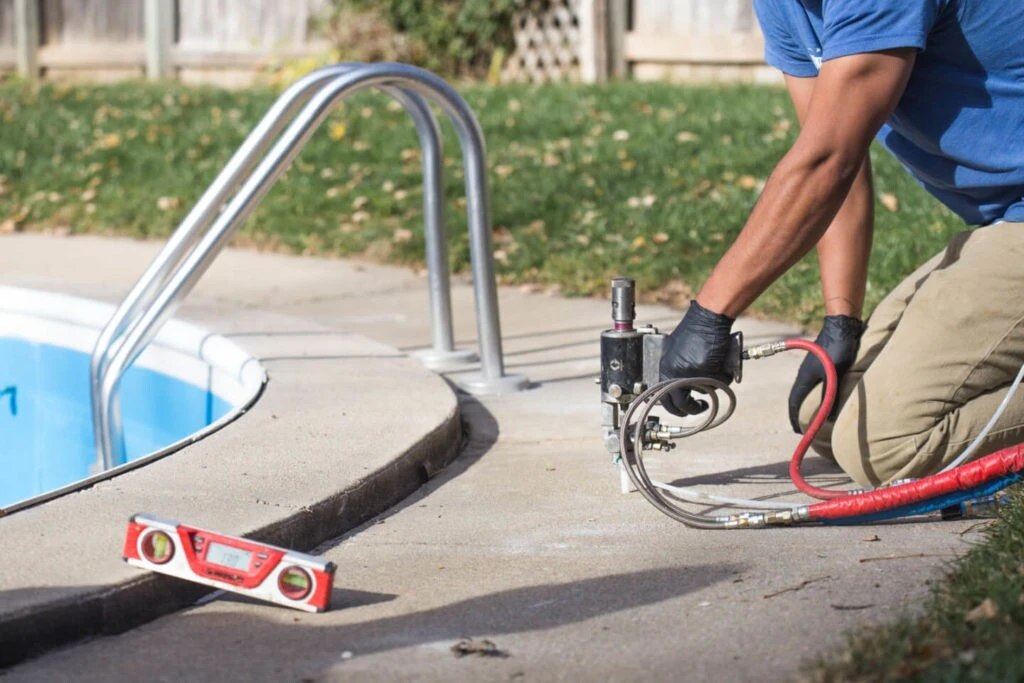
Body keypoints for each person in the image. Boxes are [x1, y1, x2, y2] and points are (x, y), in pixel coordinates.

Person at [658, 1, 1024, 487]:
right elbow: (834, 150)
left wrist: (710, 315)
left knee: (889, 449)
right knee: (826, 416)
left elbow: (826, 162)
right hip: (1005, 223)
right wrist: (841, 321)